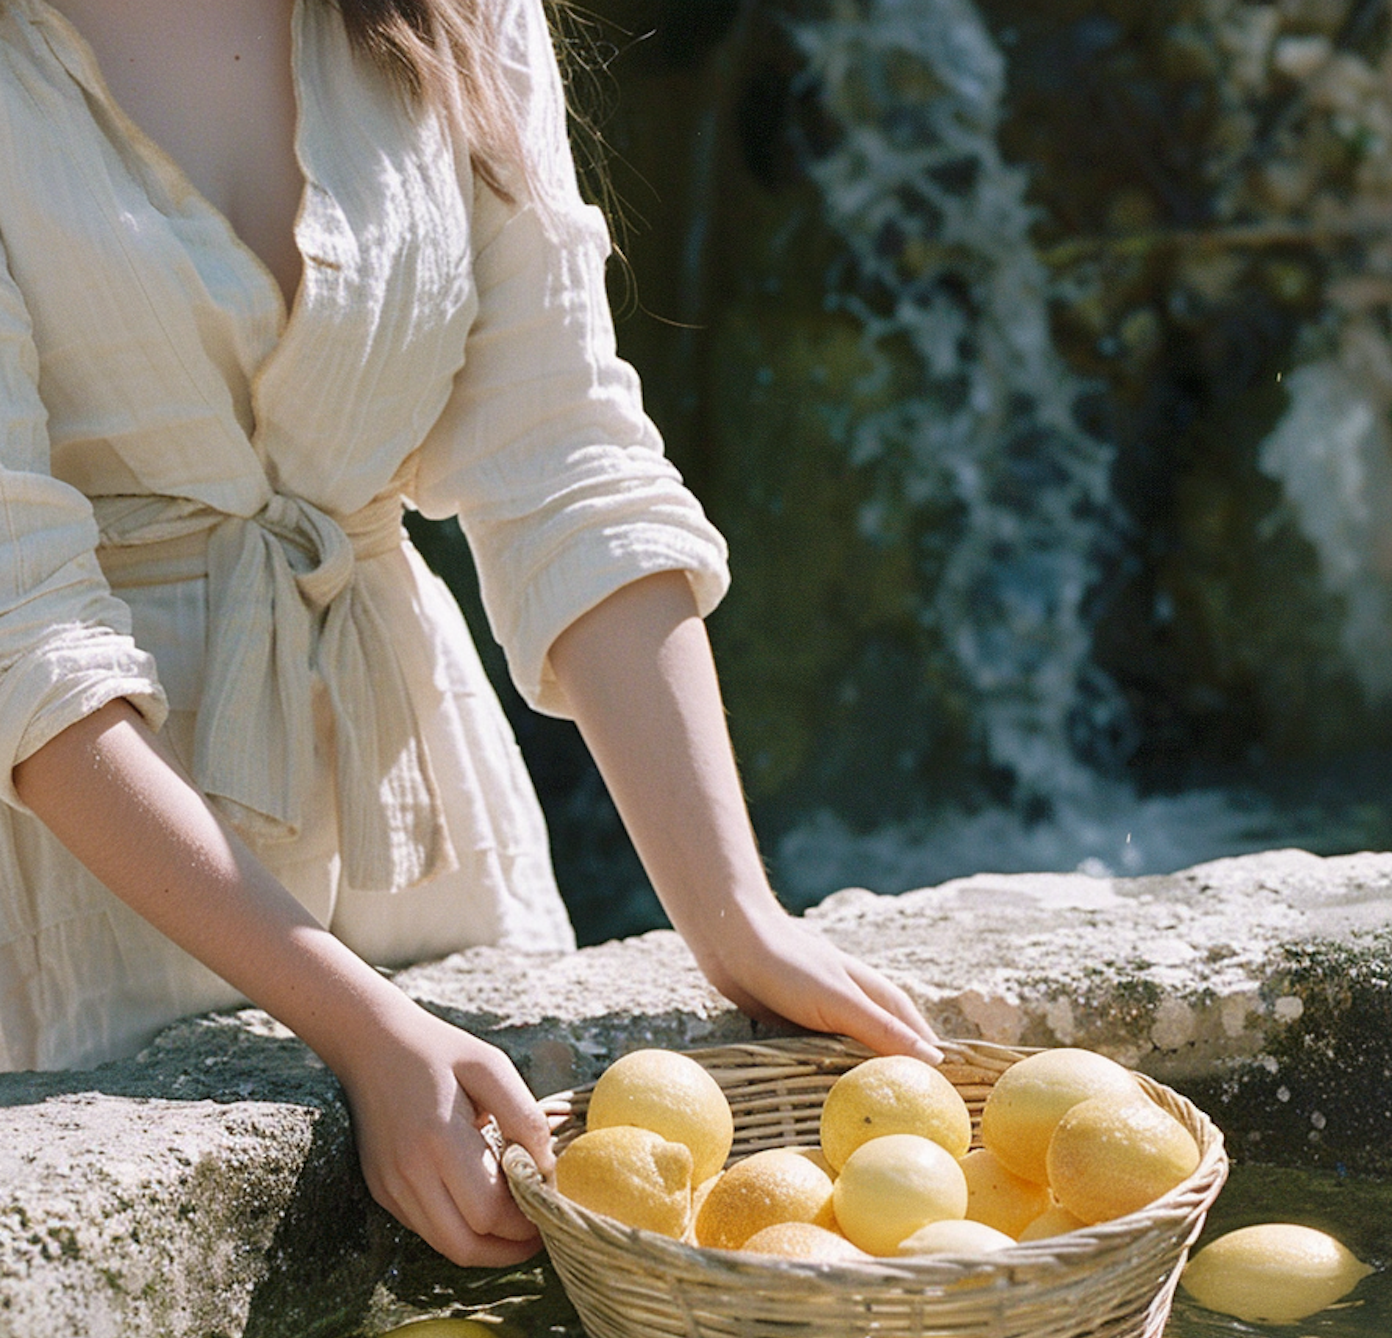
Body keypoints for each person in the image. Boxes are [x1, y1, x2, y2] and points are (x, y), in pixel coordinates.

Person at [1, 0, 940, 1266]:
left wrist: (733, 917)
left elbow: (563, 458)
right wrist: (362, 1027)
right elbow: (24, 635)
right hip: (86, 875)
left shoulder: (453, 11)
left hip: (425, 822)